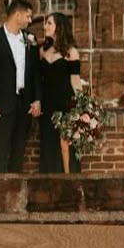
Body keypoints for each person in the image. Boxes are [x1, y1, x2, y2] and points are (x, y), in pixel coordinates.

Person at [0, 0, 41, 174]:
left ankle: (14, 195)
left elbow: (36, 72)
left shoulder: (31, 39)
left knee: (18, 151)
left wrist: (37, 99)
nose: (30, 21)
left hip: (25, 105)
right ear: (17, 15)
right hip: (2, 105)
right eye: (28, 16)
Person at [38, 12, 84, 175]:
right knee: (49, 144)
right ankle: (50, 185)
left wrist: (81, 110)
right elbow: (38, 80)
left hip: (65, 103)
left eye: (49, 23)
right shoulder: (42, 51)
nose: (45, 26)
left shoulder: (71, 53)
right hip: (47, 104)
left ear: (59, 27)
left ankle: (70, 183)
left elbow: (75, 82)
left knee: (66, 145)